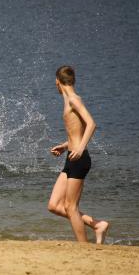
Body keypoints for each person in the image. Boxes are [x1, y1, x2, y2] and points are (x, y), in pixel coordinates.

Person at [47, 66, 109, 244]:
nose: (56, 87)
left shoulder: (74, 100)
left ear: (58, 82)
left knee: (70, 207)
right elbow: (77, 131)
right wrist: (65, 145)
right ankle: (98, 225)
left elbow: (91, 124)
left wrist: (81, 148)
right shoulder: (68, 101)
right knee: (54, 205)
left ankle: (84, 247)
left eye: (55, 84)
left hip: (79, 159)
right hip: (71, 157)